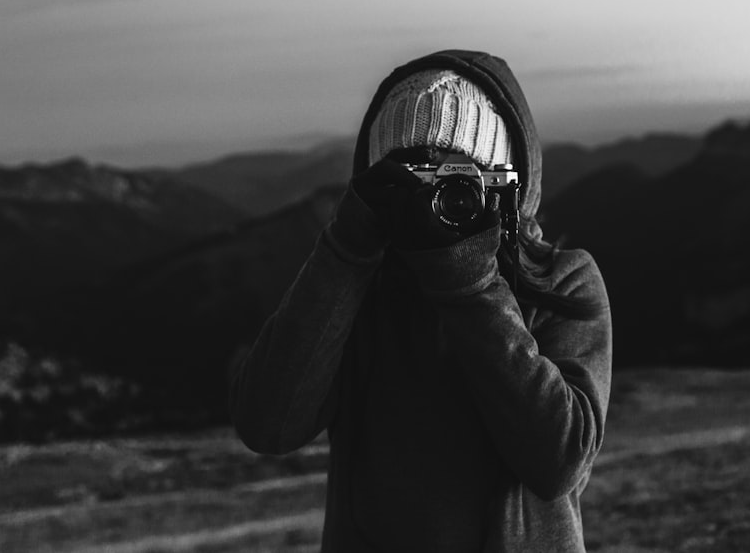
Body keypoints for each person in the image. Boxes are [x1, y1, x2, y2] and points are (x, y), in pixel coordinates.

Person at [229, 49, 612, 552]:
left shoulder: (563, 280)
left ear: (506, 183)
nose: (440, 202)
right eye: (415, 183)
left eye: (460, 184)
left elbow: (559, 460)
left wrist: (471, 280)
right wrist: (347, 246)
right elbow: (268, 425)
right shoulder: (357, 287)